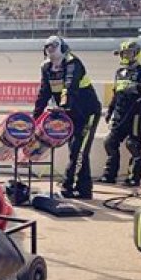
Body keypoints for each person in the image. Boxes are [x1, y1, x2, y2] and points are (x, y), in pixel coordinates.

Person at [32, 35, 101, 199]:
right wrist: (35, 118)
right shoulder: (46, 67)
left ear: (62, 47)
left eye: (54, 46)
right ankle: (84, 189)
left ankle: (68, 186)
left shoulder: (73, 63)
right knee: (76, 150)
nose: (50, 50)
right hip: (70, 115)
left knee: (79, 151)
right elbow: (44, 93)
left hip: (87, 113)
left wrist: (63, 107)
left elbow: (70, 87)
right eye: (47, 47)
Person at [97, 40, 141, 188]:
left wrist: (137, 88)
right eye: (124, 53)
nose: (126, 56)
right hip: (120, 114)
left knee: (133, 144)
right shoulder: (119, 73)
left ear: (137, 54)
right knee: (110, 142)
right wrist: (110, 111)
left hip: (136, 115)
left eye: (129, 53)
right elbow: (116, 94)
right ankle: (109, 175)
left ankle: (133, 178)